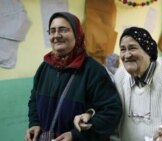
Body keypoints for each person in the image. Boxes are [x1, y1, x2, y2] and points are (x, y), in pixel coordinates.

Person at [74, 27, 162, 141]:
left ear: (148, 51)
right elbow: (110, 105)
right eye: (123, 49)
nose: (126, 55)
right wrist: (90, 114)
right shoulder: (121, 75)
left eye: (132, 48)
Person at [25, 11, 122, 141]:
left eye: (63, 30)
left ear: (77, 34)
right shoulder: (45, 68)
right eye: (52, 31)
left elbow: (111, 112)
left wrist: (75, 136)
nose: (57, 35)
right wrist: (35, 123)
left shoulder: (93, 71)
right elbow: (34, 100)